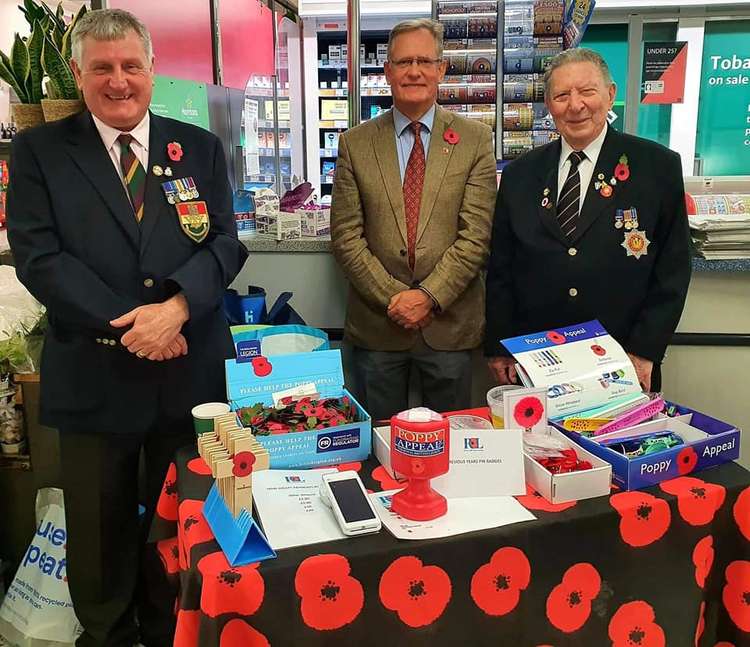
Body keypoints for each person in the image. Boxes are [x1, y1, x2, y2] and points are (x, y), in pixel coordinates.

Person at [7, 9, 248, 646]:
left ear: (151, 69)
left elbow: (225, 243)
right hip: (95, 375)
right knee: (100, 529)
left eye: (130, 66)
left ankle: (172, 628)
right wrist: (132, 327)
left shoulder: (197, 147)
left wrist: (173, 310)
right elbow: (38, 255)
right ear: (80, 76)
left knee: (184, 522)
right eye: (102, 68)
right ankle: (109, 634)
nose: (119, 81)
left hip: (187, 373)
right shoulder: (40, 152)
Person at [485, 48, 691, 392]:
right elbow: (502, 269)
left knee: (617, 447)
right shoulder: (520, 174)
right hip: (536, 360)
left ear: (610, 95)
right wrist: (499, 346)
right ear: (549, 105)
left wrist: (644, 350)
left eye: (587, 92)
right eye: (562, 95)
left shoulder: (657, 167)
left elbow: (673, 269)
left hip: (622, 358)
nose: (575, 105)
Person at [331, 18, 497, 420]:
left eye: (425, 60)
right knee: (379, 445)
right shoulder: (356, 143)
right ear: (387, 71)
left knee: (453, 445)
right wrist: (395, 298)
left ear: (441, 69)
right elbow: (345, 236)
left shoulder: (475, 140)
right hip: (378, 328)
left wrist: (427, 297)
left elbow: (476, 237)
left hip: (450, 327)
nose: (414, 71)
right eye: (403, 62)